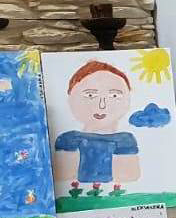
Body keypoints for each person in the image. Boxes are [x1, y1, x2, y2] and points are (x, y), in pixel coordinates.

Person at [53, 60, 140, 197]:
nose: (102, 105)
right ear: (70, 97)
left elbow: (130, 176)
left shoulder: (125, 140)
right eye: (90, 95)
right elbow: (62, 176)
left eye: (114, 96)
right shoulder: (69, 139)